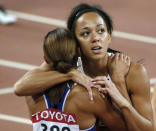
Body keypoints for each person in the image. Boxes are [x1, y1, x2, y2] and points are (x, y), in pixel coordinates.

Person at [14, 3, 153, 131]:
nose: (96, 38)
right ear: (74, 42)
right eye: (86, 33)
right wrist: (71, 74)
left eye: (101, 31)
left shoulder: (132, 72)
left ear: (109, 36)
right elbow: (21, 87)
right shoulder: (69, 61)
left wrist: (118, 81)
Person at [25, 28, 128, 131]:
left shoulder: (31, 94)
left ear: (46, 59)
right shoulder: (90, 96)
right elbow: (126, 127)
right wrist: (118, 79)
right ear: (79, 53)